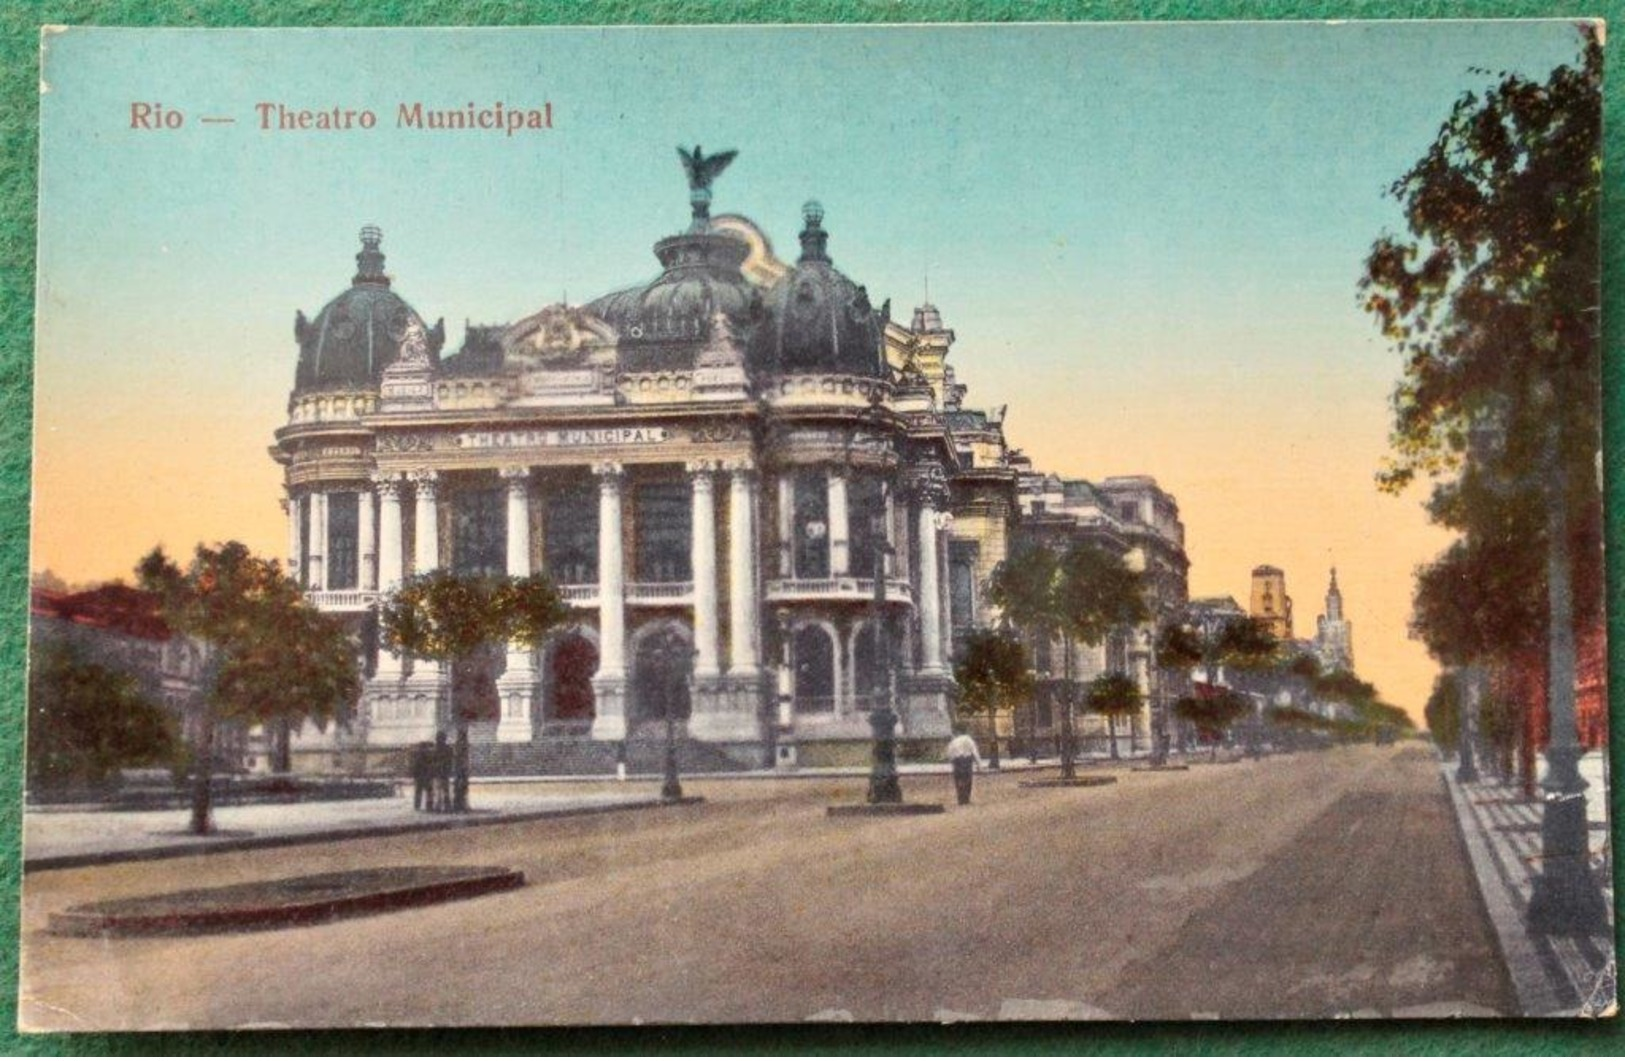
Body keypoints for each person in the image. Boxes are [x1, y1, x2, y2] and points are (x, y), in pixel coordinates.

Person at [945, 729, 983, 806]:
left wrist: (952, 762)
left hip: (957, 761)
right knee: (968, 780)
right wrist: (979, 764)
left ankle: (960, 798)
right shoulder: (969, 740)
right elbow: (974, 752)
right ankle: (966, 799)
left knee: (959, 780)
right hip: (967, 760)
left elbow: (949, 754)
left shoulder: (953, 742)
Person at [431, 730, 452, 813]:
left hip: (437, 771)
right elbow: (450, 760)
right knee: (445, 789)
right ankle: (445, 806)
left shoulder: (435, 749)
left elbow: (432, 760)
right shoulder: (448, 749)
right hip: (444, 771)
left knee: (438, 789)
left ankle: (438, 806)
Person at [410, 741, 432, 811]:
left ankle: (418, 805)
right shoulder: (427, 755)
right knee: (428, 791)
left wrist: (415, 776)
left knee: (419, 791)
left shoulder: (418, 756)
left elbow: (415, 767)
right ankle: (428, 805)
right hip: (424, 776)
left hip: (421, 776)